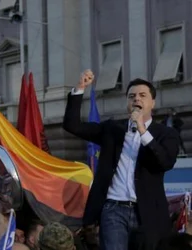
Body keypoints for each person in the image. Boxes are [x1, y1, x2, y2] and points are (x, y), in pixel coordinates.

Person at [63, 70, 180, 250]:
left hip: (148, 212)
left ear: (152, 103)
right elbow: (73, 126)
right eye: (132, 96)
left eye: (142, 95)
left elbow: (164, 162)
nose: (136, 99)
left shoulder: (166, 134)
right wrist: (79, 89)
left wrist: (142, 130)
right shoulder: (112, 129)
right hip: (113, 209)